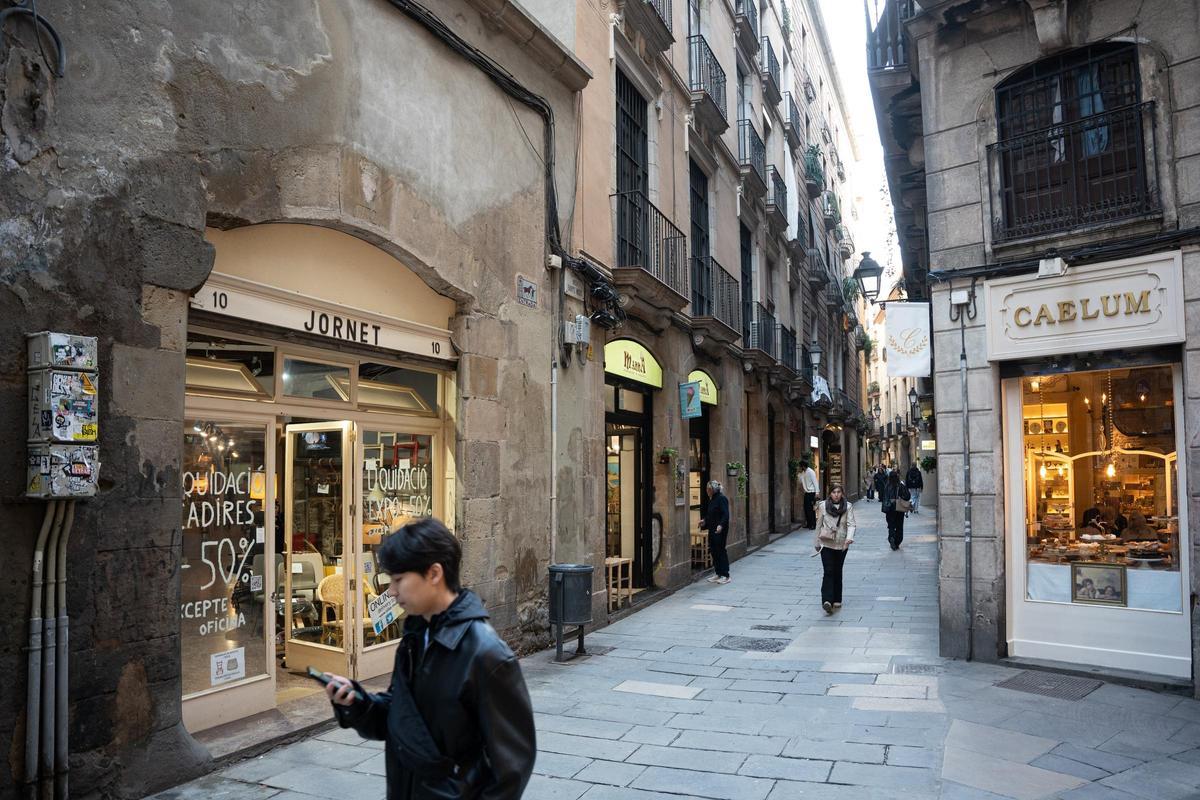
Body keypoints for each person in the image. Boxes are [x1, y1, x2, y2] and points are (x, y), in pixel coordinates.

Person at [323, 518, 536, 799]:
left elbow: (512, 768)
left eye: (399, 580)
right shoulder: (415, 636)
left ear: (434, 573)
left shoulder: (487, 654)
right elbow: (403, 716)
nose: (392, 592)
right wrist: (357, 703)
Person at [814, 484, 856, 614]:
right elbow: (819, 524)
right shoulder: (822, 506)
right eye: (833, 492)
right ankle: (827, 600)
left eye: (838, 492)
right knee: (828, 570)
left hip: (842, 544)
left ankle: (837, 598)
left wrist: (849, 539)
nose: (836, 494)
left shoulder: (848, 507)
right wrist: (816, 542)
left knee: (838, 570)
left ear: (842, 493)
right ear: (830, 494)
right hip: (826, 543)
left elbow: (851, 524)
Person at [700, 480, 731, 584]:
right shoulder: (712, 499)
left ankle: (726, 575)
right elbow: (710, 515)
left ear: (713, 490)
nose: (707, 491)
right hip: (712, 529)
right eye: (707, 489)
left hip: (720, 530)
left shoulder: (722, 499)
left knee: (720, 550)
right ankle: (718, 573)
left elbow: (725, 514)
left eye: (709, 489)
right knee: (713, 551)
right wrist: (704, 521)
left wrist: (721, 525)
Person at [880, 470, 911, 550]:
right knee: (899, 526)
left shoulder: (887, 486)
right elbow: (908, 496)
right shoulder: (901, 485)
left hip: (890, 509)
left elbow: (884, 497)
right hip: (899, 508)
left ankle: (891, 538)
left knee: (891, 526)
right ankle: (897, 541)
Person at [800, 460, 819, 529]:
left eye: (801, 466)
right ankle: (808, 524)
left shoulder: (811, 472)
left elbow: (815, 482)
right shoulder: (803, 473)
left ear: (803, 466)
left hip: (811, 493)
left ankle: (813, 525)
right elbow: (800, 479)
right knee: (806, 509)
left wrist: (817, 492)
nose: (800, 468)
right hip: (806, 493)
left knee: (811, 509)